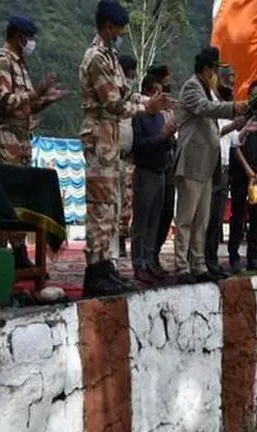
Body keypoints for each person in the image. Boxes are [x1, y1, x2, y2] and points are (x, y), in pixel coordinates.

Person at [79, 0, 172, 295]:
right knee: (100, 207)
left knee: (112, 206)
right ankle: (94, 272)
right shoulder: (96, 57)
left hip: (111, 141)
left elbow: (127, 92)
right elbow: (113, 103)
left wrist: (149, 102)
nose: (120, 33)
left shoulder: (111, 56)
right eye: (118, 28)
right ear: (108, 26)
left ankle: (106, 266)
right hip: (99, 138)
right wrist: (147, 110)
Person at [0, 14, 67, 268]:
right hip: (5, 140)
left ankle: (20, 254)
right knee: (2, 201)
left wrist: (44, 100)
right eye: (29, 38)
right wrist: (35, 92)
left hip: (21, 140)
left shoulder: (20, 64)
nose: (31, 43)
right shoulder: (1, 61)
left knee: (20, 200)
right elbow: (3, 101)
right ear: (19, 37)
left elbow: (24, 106)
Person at [174, 47, 245, 284]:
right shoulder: (192, 87)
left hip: (206, 164)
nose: (217, 73)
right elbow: (205, 109)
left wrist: (235, 117)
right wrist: (234, 107)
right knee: (186, 217)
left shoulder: (208, 90)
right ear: (206, 69)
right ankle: (181, 264)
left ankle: (198, 262)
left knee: (202, 219)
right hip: (192, 160)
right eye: (215, 69)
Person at [130, 74, 176, 283]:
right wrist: (162, 137)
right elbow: (138, 146)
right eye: (157, 92)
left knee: (155, 220)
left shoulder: (160, 116)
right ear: (149, 93)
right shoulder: (139, 116)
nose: (161, 97)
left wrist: (170, 137)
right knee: (142, 219)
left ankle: (150, 260)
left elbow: (166, 142)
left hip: (161, 170)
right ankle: (138, 262)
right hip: (145, 170)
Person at [228, 81, 257, 272]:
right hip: (240, 174)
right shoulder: (239, 119)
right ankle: (234, 257)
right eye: (254, 94)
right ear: (248, 95)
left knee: (255, 218)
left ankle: (252, 258)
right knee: (237, 216)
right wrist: (247, 170)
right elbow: (234, 146)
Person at [203, 65, 236, 278]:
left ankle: (212, 259)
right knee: (206, 217)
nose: (232, 86)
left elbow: (232, 140)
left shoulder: (226, 106)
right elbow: (213, 132)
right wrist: (232, 127)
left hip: (224, 165)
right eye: (229, 82)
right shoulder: (211, 104)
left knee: (216, 218)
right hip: (210, 165)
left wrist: (242, 129)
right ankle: (202, 260)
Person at [146, 65, 176, 271]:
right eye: (166, 80)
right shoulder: (147, 108)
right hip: (152, 162)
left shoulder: (169, 107)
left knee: (166, 211)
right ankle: (146, 258)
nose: (169, 83)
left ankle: (155, 254)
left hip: (169, 161)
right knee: (150, 213)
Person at [116, 54, 137, 259]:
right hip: (112, 155)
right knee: (113, 200)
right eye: (129, 73)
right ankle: (113, 241)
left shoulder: (129, 94)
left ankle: (122, 238)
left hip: (128, 157)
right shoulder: (114, 92)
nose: (130, 78)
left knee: (126, 202)